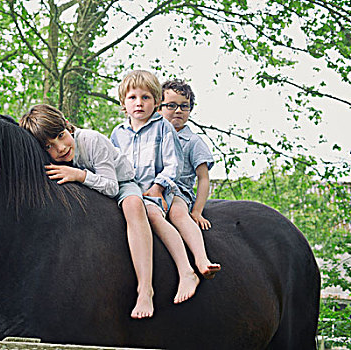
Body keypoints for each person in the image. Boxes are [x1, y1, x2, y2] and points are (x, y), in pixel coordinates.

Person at [20, 104, 155, 319]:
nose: (60, 148)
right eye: (49, 146)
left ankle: (145, 289)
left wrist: (80, 176)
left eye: (60, 136)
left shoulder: (92, 140)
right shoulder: (56, 159)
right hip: (90, 190)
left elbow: (111, 187)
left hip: (122, 183)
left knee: (133, 206)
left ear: (67, 126)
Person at [111, 70, 220, 304]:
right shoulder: (118, 133)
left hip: (160, 190)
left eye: (146, 98)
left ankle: (189, 267)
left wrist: (159, 188)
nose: (139, 103)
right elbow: (114, 162)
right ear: (123, 103)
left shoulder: (164, 128)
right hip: (131, 189)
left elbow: (174, 165)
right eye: (132, 98)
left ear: (156, 103)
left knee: (164, 214)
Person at [158, 78, 220, 278]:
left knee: (177, 213)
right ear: (158, 108)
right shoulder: (152, 136)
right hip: (153, 188)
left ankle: (201, 259)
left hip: (178, 192)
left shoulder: (194, 141)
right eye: (172, 105)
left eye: (184, 106)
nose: (178, 111)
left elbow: (203, 178)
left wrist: (198, 211)